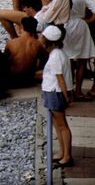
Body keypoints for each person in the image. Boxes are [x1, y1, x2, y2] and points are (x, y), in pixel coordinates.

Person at [41, 24, 74, 167]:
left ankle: (67, 156)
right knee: (58, 125)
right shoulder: (60, 53)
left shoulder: (55, 57)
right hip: (53, 92)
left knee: (62, 125)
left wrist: (66, 96)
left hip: (55, 93)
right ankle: (62, 153)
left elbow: (60, 78)